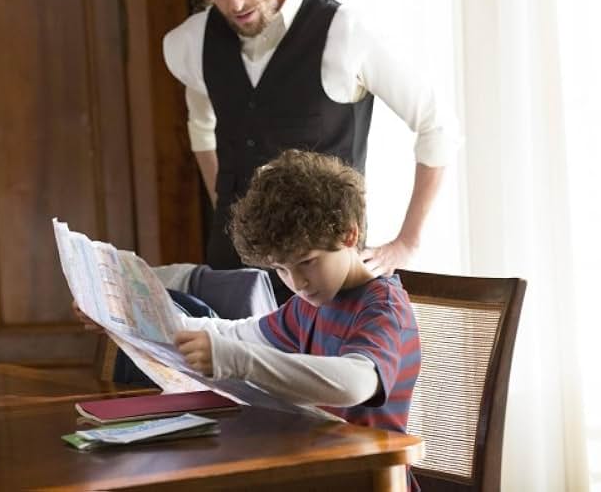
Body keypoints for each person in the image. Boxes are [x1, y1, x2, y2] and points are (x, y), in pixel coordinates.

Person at [163, 0, 459, 303]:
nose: (234, 3)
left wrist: (407, 243)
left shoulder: (345, 33)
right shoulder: (189, 44)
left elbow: (436, 124)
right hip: (232, 275)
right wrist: (227, 210)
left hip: (327, 283)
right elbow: (201, 127)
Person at [74, 150, 420, 490]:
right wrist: (127, 317)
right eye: (281, 269)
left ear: (348, 234)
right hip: (315, 467)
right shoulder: (310, 304)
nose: (297, 283)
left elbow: (357, 384)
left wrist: (238, 361)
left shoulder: (383, 308)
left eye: (307, 262)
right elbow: (236, 334)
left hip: (368, 477)